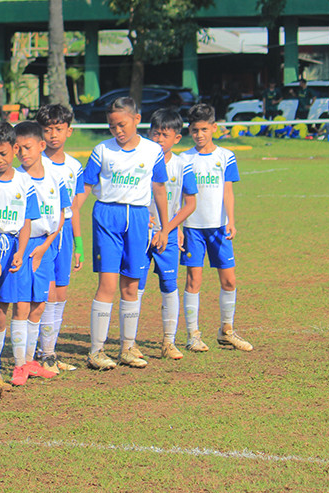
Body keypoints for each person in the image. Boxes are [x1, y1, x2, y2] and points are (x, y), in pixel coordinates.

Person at [83, 97, 170, 371]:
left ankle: (127, 348)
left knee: (131, 285)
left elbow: (159, 190)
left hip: (139, 218)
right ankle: (96, 351)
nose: (117, 130)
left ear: (137, 119)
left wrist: (164, 227)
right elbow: (85, 186)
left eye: (122, 124)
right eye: (112, 126)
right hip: (108, 215)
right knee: (108, 284)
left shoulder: (153, 151)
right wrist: (69, 218)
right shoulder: (102, 150)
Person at [180, 103, 253, 353]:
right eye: (194, 130)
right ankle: (193, 335)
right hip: (193, 228)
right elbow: (178, 195)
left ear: (214, 128)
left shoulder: (226, 156)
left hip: (219, 228)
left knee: (229, 281)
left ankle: (226, 331)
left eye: (204, 129)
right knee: (194, 281)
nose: (199, 135)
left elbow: (228, 191)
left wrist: (231, 220)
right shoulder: (184, 159)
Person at [0, 120, 41, 394]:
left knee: (5, 310)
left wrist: (21, 252)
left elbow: (27, 220)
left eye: (3, 153)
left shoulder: (25, 182)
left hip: (14, 248)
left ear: (15, 149)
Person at [136, 109, 197, 360]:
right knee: (135, 285)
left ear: (177, 138)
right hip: (140, 232)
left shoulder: (183, 165)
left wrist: (168, 229)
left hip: (167, 233)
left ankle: (168, 342)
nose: (159, 139)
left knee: (169, 285)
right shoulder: (141, 160)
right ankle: (129, 343)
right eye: (155, 134)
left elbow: (190, 204)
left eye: (165, 135)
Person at [14, 121, 68, 377]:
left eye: (28, 147)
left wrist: (45, 247)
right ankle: (19, 364)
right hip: (22, 245)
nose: (23, 153)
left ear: (41, 146)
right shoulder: (16, 179)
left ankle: (29, 361)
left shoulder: (56, 177)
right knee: (21, 304)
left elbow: (61, 215)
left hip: (45, 246)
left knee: (39, 304)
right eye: (18, 148)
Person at [36, 105, 85, 372]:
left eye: (58, 128)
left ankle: (49, 351)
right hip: (43, 234)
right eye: (47, 129)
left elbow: (73, 207)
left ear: (69, 131)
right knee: (48, 292)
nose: (53, 134)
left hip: (65, 235)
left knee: (61, 293)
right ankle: (43, 354)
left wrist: (79, 244)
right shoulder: (35, 162)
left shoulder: (74, 166)